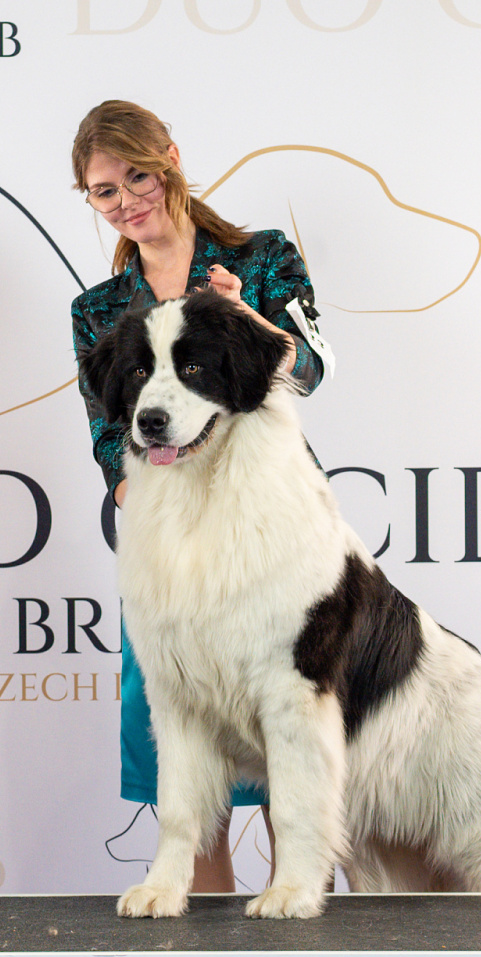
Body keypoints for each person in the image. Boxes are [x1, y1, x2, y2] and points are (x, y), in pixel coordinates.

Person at [69, 100, 327, 893]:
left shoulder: (263, 255)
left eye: (137, 177)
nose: (126, 201)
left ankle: (302, 910)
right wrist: (146, 500)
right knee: (181, 730)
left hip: (269, 529)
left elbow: (311, 368)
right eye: (104, 191)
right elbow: (108, 432)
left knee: (291, 721)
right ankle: (205, 927)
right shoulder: (98, 310)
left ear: (170, 160)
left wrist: (248, 315)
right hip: (169, 546)